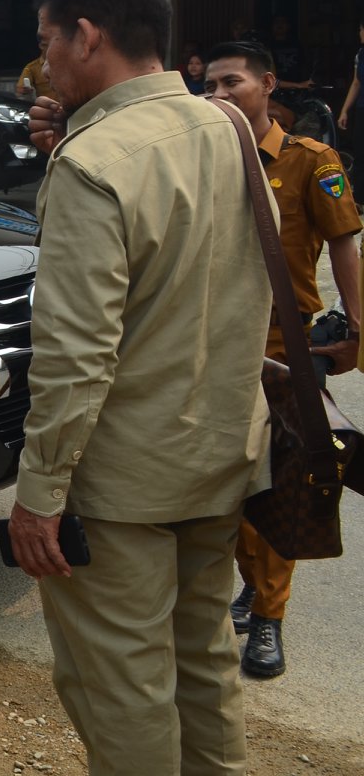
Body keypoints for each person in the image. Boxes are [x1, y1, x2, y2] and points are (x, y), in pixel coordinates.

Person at [9, 0, 270, 776]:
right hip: (223, 453)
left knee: (119, 686)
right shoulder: (228, 127)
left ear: (87, 37)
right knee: (203, 665)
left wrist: (39, 495)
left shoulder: (94, 163)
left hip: (121, 483)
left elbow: (76, 355)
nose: (43, 64)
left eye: (47, 42)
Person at [202, 40, 360, 681]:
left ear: (268, 85)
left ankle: (269, 616)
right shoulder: (203, 158)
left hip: (284, 348)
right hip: (213, 343)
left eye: (230, 83)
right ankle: (253, 587)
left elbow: (346, 241)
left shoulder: (310, 162)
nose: (217, 97)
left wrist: (356, 326)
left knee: (282, 482)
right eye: (208, 86)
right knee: (229, 488)